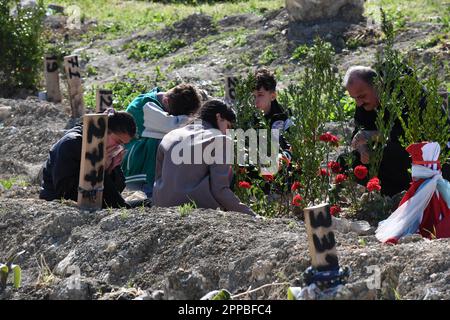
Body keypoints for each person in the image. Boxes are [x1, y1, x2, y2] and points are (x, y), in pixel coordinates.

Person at [152, 99, 255, 216]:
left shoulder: (170, 135)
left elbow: (158, 177)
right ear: (219, 117)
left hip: (161, 203)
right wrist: (251, 214)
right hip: (195, 206)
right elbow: (220, 190)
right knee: (229, 173)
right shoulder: (220, 139)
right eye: (228, 126)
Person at [341, 65, 427, 197]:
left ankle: (413, 194)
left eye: (362, 96)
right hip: (393, 154)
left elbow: (410, 135)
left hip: (430, 154)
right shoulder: (363, 101)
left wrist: (372, 136)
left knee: (391, 151)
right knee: (346, 161)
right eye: (355, 98)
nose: (358, 104)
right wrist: (363, 149)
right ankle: (392, 197)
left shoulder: (406, 92)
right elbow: (359, 131)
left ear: (377, 85)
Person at [40, 110, 136, 208]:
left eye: (122, 144)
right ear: (104, 130)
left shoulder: (106, 148)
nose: (118, 147)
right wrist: (99, 169)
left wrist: (110, 169)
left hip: (92, 202)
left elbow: (117, 190)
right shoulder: (71, 144)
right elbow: (65, 192)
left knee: (146, 203)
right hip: (59, 203)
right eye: (118, 141)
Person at [122, 83, 202, 198]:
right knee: (169, 140)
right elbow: (175, 126)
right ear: (165, 101)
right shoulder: (144, 106)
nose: (172, 115)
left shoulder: (162, 101)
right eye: (173, 114)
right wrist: (199, 121)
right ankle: (152, 189)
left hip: (145, 160)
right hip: (135, 163)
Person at [253, 68, 293, 162]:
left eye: (260, 95)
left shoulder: (284, 116)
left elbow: (293, 144)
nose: (255, 101)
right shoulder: (247, 117)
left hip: (282, 167)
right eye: (253, 96)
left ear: (272, 96)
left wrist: (283, 159)